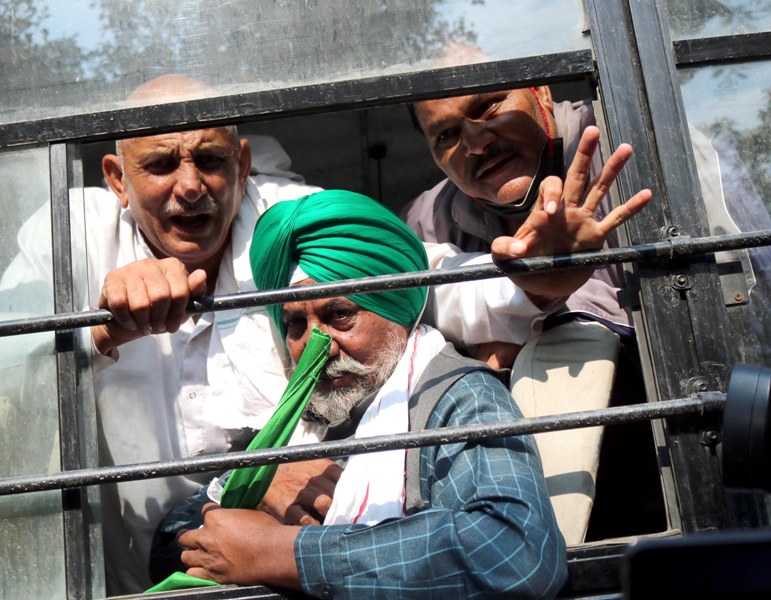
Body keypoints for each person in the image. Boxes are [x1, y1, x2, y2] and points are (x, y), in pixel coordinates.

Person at [0, 74, 649, 594]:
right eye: (162, 163)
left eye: (210, 158)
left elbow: (433, 279)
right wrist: (98, 330)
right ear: (116, 178)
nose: (190, 184)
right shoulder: (64, 240)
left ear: (244, 161)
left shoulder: (443, 397)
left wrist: (539, 274)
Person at [177, 189, 569, 599]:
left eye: (339, 315)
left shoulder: (457, 398)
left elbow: (514, 552)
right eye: (295, 325)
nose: (316, 347)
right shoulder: (304, 417)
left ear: (397, 307)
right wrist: (259, 488)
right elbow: (171, 538)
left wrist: (278, 553)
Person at [403, 85, 645, 544]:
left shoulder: (635, 142)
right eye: (447, 135)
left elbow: (731, 301)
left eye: (488, 106)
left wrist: (544, 317)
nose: (476, 143)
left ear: (541, 92)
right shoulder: (427, 220)